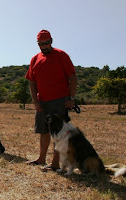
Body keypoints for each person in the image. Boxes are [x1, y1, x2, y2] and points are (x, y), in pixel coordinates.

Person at [25, 30, 77, 171]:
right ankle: (41, 159)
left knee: (58, 133)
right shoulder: (35, 59)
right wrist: (35, 101)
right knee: (43, 131)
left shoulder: (61, 55)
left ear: (51, 41)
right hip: (42, 102)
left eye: (46, 43)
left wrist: (71, 98)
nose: (44, 46)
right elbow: (32, 82)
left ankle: (55, 163)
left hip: (59, 101)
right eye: (41, 44)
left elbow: (72, 77)